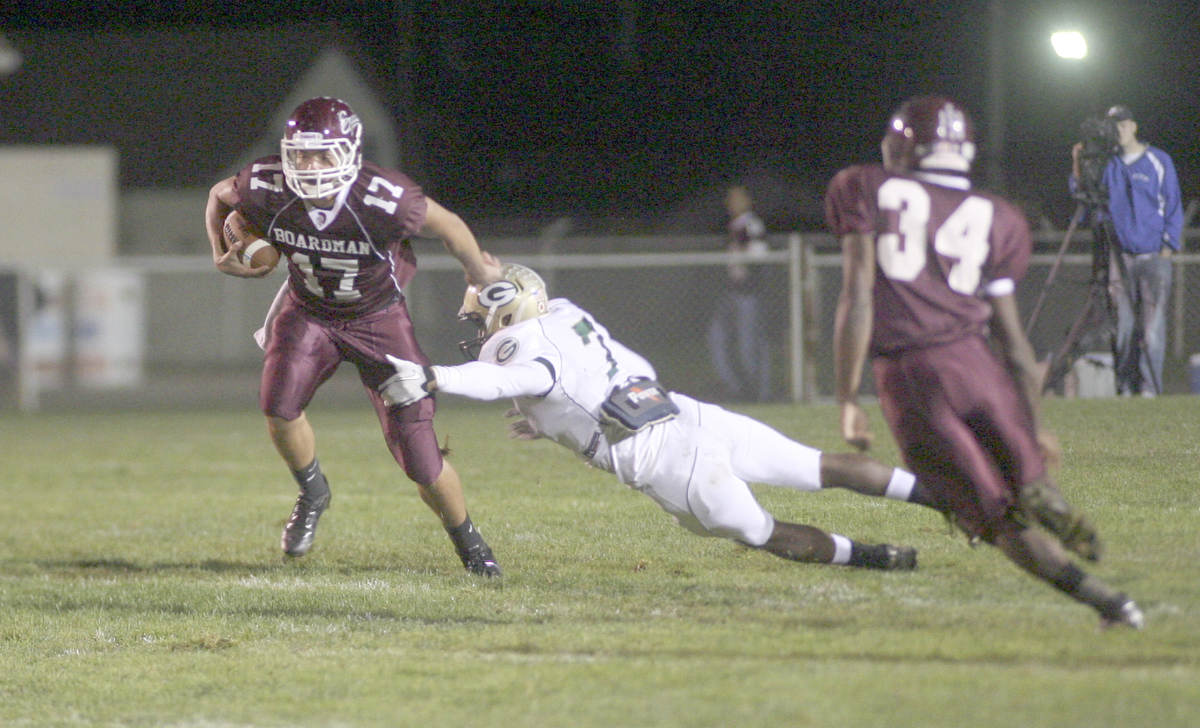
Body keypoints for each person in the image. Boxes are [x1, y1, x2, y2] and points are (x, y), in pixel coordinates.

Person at [377, 263, 929, 573]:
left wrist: (434, 376)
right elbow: (591, 376)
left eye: (481, 317)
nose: (478, 328)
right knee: (818, 466)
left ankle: (872, 558)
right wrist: (548, 421)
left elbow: (501, 379)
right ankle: (943, 495)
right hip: (692, 415)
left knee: (764, 533)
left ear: (507, 311)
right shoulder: (566, 314)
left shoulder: (516, 348)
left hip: (675, 468)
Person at [827, 94, 1143, 628]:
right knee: (1023, 477)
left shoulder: (863, 186)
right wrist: (1033, 428)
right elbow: (1015, 345)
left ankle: (1109, 603)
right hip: (978, 365)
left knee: (994, 518)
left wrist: (846, 398)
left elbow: (857, 295)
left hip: (912, 374)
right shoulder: (999, 216)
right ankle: (1039, 487)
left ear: (903, 146)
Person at [204, 96, 503, 576]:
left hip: (378, 319)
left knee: (420, 458)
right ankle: (313, 491)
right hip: (308, 311)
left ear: (349, 152)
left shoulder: (384, 198)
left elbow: (447, 224)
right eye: (302, 154)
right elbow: (220, 195)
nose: (310, 165)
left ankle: (470, 543)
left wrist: (478, 273)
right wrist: (220, 251)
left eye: (323, 154)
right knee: (278, 406)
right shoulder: (267, 184)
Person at [1070, 104, 1182, 396]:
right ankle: (1125, 388)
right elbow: (1083, 195)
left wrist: (1167, 248)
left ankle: (1148, 390)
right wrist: (1079, 163)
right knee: (1123, 327)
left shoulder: (1158, 160)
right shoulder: (1109, 163)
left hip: (1153, 257)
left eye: (1121, 125)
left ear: (1133, 126)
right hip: (1120, 257)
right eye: (1112, 126)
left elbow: (1173, 205)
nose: (1117, 132)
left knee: (1152, 329)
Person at [707, 185, 772, 402]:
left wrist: (748, 279)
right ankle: (734, 386)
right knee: (717, 337)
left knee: (749, 344)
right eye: (730, 198)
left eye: (737, 198)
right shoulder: (733, 226)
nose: (731, 203)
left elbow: (758, 257)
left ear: (748, 201)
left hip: (747, 293)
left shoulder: (751, 225)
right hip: (731, 292)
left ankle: (757, 393)